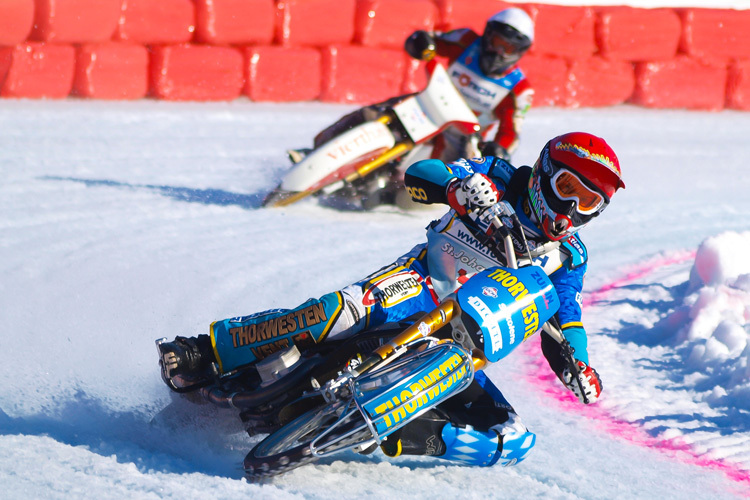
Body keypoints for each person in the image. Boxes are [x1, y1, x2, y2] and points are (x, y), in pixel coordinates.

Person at [159, 131, 625, 468]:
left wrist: (577, 364)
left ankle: (398, 433)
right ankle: (206, 348)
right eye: (567, 189)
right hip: (417, 286)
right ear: (544, 173)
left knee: (512, 441)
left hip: (462, 348)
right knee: (340, 312)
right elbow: (420, 174)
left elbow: (568, 318)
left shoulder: (568, 256)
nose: (570, 209)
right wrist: (457, 189)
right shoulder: (496, 177)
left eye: (588, 202)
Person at [290, 7, 535, 165]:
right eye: (495, 42)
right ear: (487, 34)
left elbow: (511, 131)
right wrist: (420, 42)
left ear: (519, 52)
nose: (498, 52)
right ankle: (312, 154)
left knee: (446, 177)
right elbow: (431, 41)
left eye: (508, 48)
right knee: (370, 114)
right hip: (427, 104)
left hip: (463, 135)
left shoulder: (519, 89)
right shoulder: (465, 41)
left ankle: (400, 191)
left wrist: (500, 149)